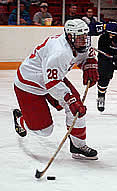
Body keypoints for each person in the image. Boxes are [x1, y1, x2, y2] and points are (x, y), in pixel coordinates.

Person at [12, 19, 99, 160]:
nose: (84, 41)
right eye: (80, 38)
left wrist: (89, 64)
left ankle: (78, 146)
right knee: (44, 131)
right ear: (70, 37)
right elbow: (51, 84)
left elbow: (86, 54)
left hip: (52, 77)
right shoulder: (59, 52)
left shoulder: (77, 43)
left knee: (76, 109)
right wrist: (70, 100)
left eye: (85, 36)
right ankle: (22, 118)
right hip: (29, 85)